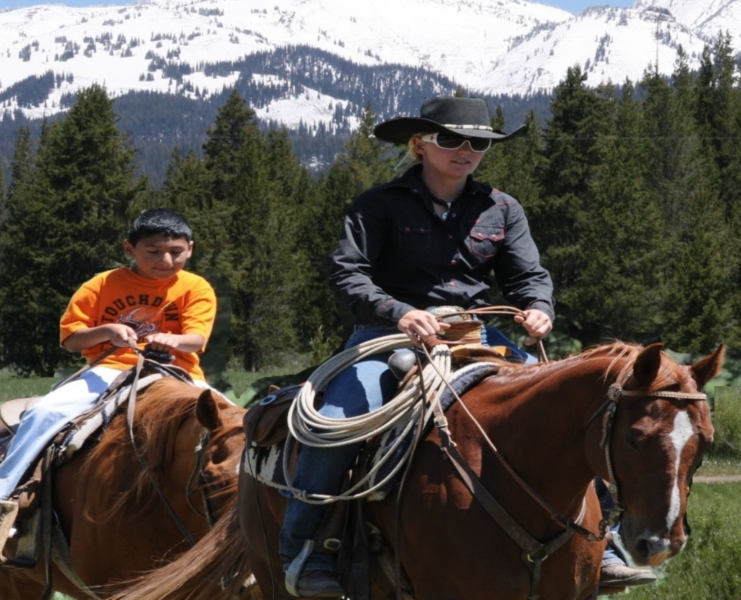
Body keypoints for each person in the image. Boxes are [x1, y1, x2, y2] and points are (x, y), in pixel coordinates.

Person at [279, 97, 652, 597]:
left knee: (575, 409)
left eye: (478, 143)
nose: (466, 150)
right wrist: (400, 311)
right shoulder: (379, 204)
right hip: (386, 334)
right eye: (452, 140)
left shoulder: (502, 208)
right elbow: (348, 274)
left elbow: (528, 276)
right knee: (339, 420)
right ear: (420, 145)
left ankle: (602, 546)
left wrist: (539, 307)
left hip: (476, 335)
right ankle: (305, 551)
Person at [0, 208, 217, 558]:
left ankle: (245, 514)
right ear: (129, 249)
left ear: (190, 249)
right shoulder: (102, 284)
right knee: (46, 412)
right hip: (110, 368)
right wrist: (107, 331)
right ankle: (4, 494)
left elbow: (196, 339)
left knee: (233, 424)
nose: (166, 260)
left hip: (176, 371)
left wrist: (173, 340)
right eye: (153, 251)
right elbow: (71, 339)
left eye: (176, 252)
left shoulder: (195, 287)